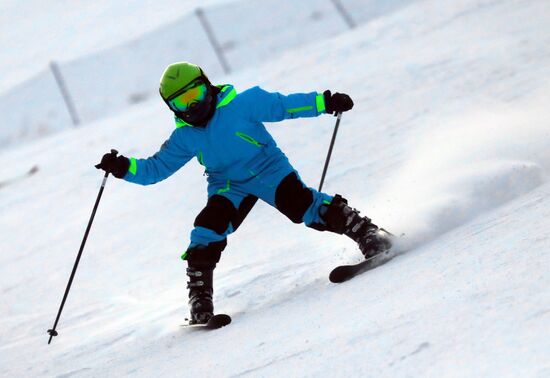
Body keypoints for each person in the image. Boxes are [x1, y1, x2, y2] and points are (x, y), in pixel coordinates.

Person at [96, 62, 392, 324]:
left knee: (302, 206)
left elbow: (285, 105)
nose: (193, 106)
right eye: (182, 102)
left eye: (195, 94)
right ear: (171, 108)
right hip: (228, 185)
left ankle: (367, 233)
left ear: (208, 86)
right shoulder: (184, 136)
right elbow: (154, 169)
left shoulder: (244, 103)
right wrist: (123, 167)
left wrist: (325, 102)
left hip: (269, 169)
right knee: (206, 229)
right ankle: (200, 298)